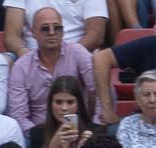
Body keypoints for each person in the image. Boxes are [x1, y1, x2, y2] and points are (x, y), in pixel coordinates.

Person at [7, 6, 95, 135]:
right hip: (38, 134)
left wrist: (96, 126)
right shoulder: (21, 67)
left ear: (63, 31)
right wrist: (41, 138)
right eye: (45, 28)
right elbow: (18, 115)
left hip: (79, 130)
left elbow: (100, 90)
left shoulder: (78, 53)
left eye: (57, 28)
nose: (52, 32)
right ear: (33, 33)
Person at [4, 0, 107, 55]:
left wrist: (68, 56)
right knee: (4, 62)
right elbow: (11, 37)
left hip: (76, 55)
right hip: (30, 54)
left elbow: (96, 35)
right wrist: (26, 54)